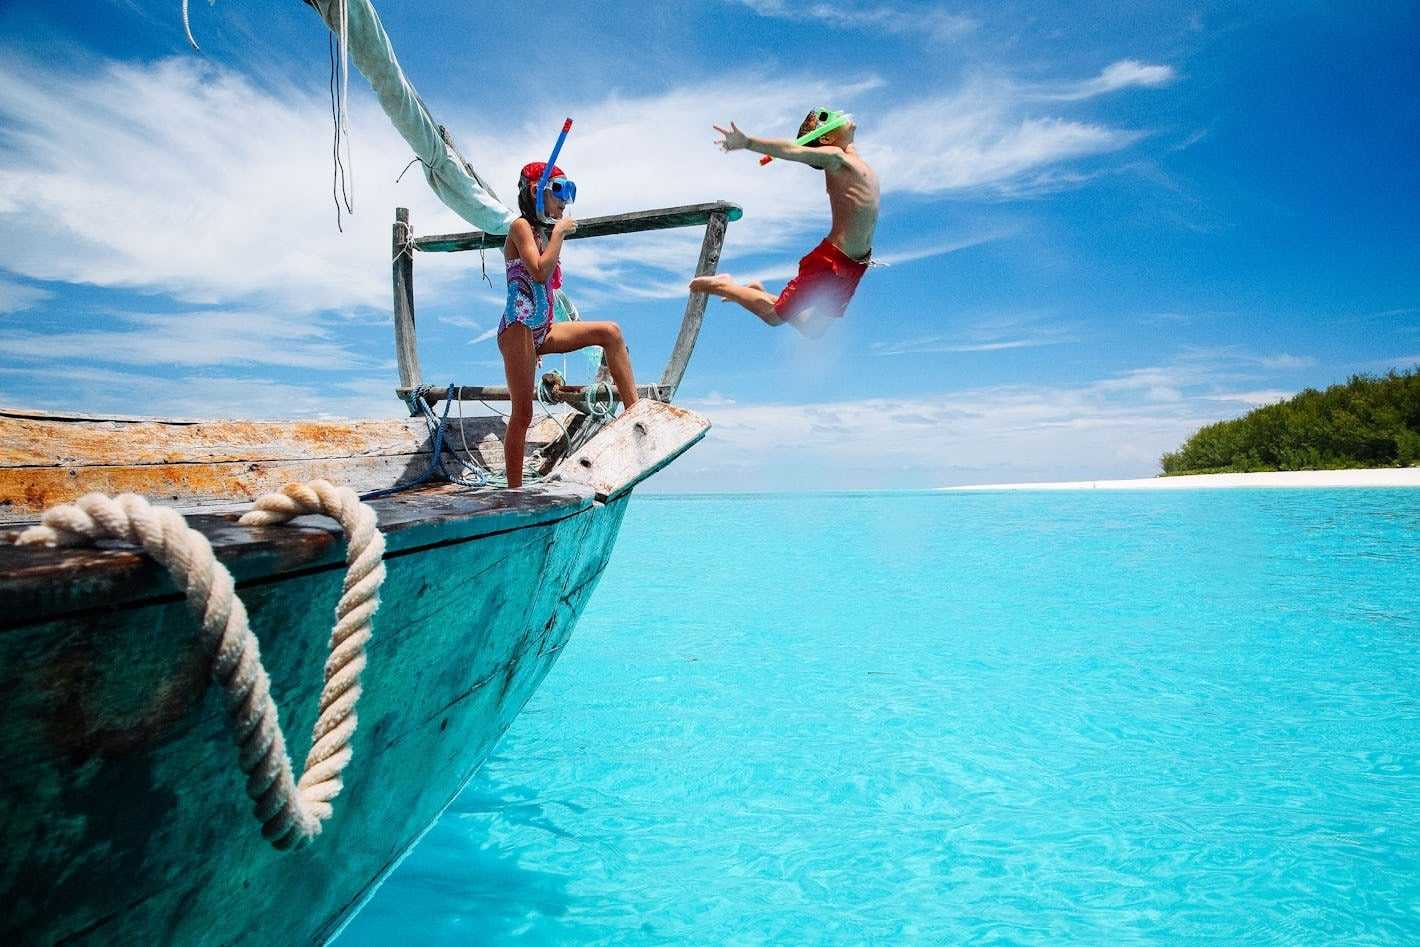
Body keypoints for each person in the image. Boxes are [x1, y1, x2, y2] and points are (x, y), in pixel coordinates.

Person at [498, 161, 638, 487]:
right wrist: (559, 233)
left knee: (610, 332)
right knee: (523, 414)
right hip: (518, 329)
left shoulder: (544, 233)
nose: (565, 201)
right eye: (559, 191)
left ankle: (635, 416)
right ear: (536, 192)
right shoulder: (520, 227)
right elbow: (538, 272)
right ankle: (514, 493)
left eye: (570, 191)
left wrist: (554, 232)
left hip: (542, 330)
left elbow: (548, 286)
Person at [691, 108, 880, 337]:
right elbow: (792, 149)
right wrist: (747, 142)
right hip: (832, 261)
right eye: (826, 117)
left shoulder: (852, 156)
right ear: (828, 139)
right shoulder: (837, 159)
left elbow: (845, 133)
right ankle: (726, 285)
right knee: (774, 317)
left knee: (813, 329)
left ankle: (758, 292)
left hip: (856, 264)